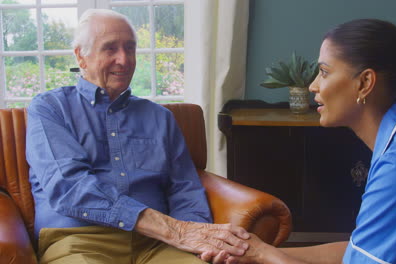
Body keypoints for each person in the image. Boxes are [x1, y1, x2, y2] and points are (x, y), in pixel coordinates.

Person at [209, 18, 396, 264]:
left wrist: (263, 256)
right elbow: (361, 250)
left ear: (365, 82)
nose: (313, 85)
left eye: (324, 72)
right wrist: (261, 251)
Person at [26, 9, 249, 264]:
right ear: (81, 57)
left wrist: (198, 240)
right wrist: (173, 229)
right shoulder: (50, 108)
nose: (124, 59)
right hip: (79, 240)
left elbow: (184, 189)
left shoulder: (160, 117)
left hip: (158, 245)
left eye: (130, 48)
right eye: (110, 49)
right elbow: (70, 187)